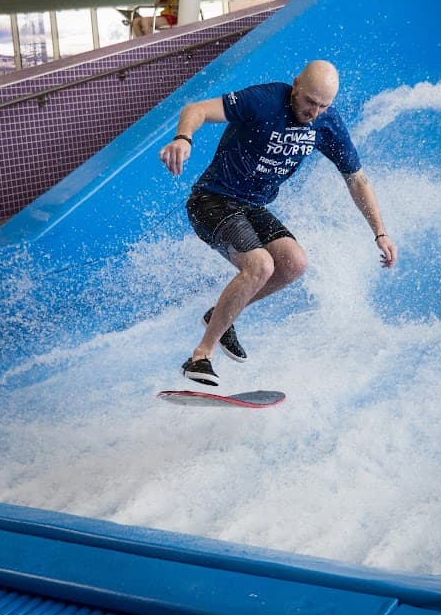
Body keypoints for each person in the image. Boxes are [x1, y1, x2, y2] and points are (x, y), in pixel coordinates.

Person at [159, 60, 397, 385]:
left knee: (293, 263)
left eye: (322, 105)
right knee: (260, 266)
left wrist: (380, 233)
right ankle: (200, 357)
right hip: (211, 200)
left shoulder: (326, 123)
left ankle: (219, 317)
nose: (313, 111)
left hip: (251, 206)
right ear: (296, 84)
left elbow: (356, 179)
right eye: (309, 101)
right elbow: (197, 109)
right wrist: (184, 138)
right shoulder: (264, 100)